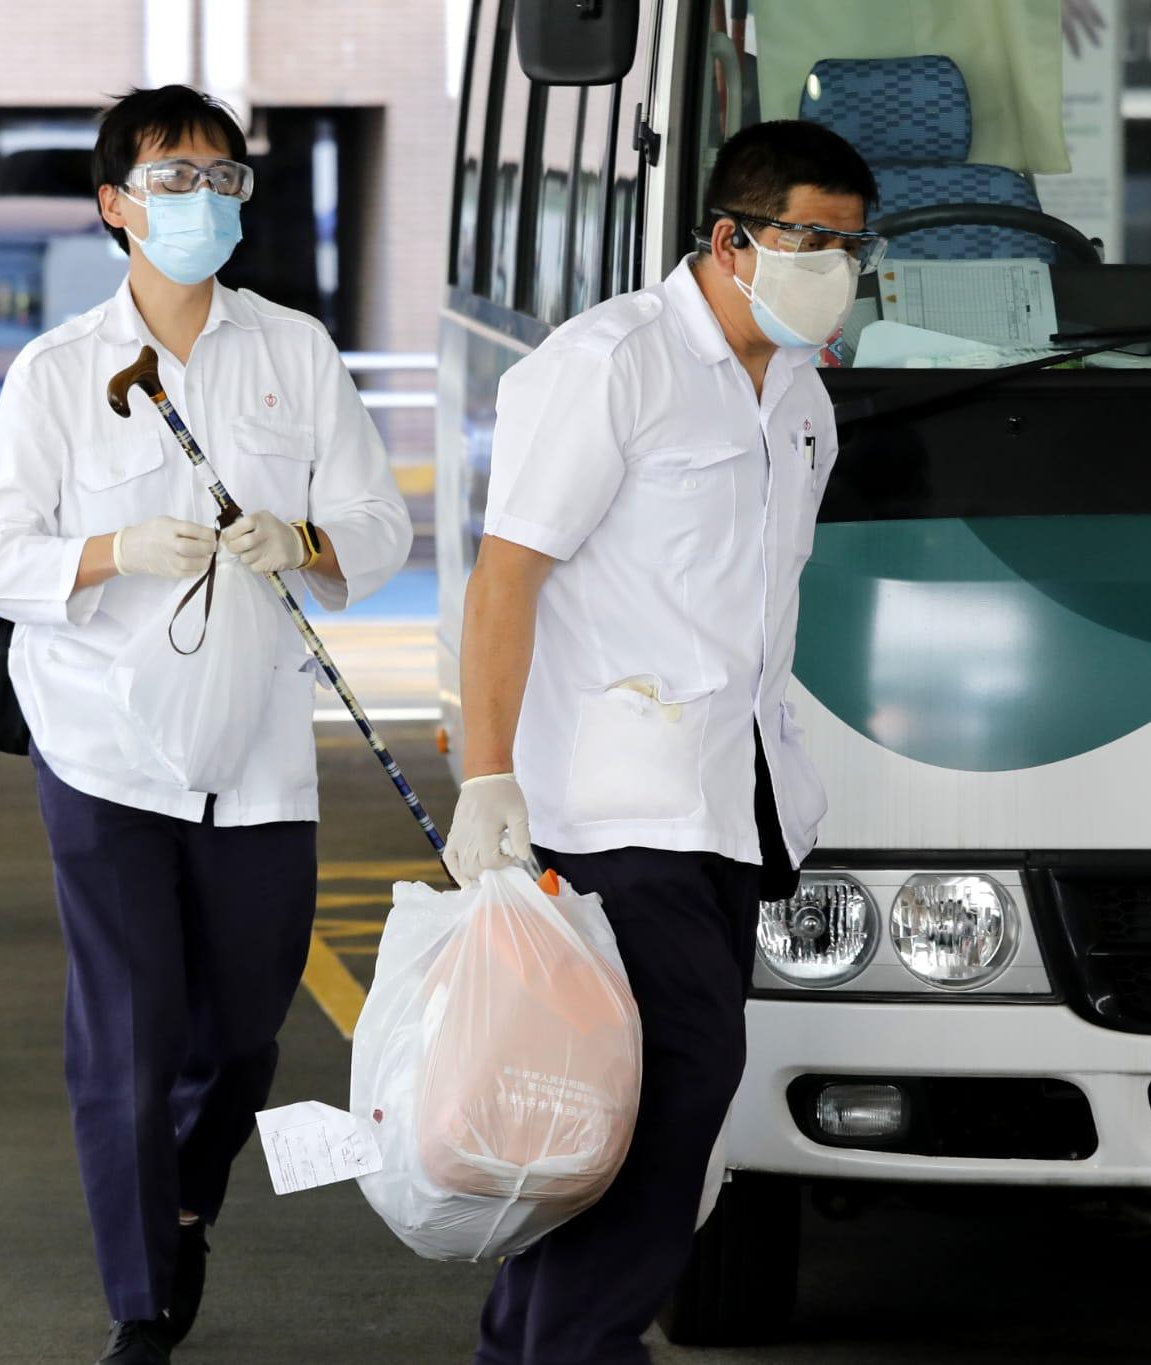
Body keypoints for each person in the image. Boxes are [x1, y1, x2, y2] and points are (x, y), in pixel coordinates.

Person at [0, 84, 410, 1365]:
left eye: (221, 177)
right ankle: (143, 1303)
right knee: (130, 1032)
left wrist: (306, 536)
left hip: (258, 747)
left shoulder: (296, 354)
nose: (200, 201)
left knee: (243, 1032)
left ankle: (188, 1199)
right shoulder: (57, 372)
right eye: (171, 179)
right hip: (99, 742)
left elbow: (380, 528)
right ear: (114, 206)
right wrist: (107, 549)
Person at [442, 119, 879, 1364]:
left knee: (623, 1114)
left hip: (734, 808)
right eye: (813, 240)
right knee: (677, 1091)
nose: (837, 268)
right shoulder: (611, 364)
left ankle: (529, 1347)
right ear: (731, 238)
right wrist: (488, 777)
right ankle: (578, 1347)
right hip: (613, 806)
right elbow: (504, 578)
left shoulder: (798, 395)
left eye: (853, 246)